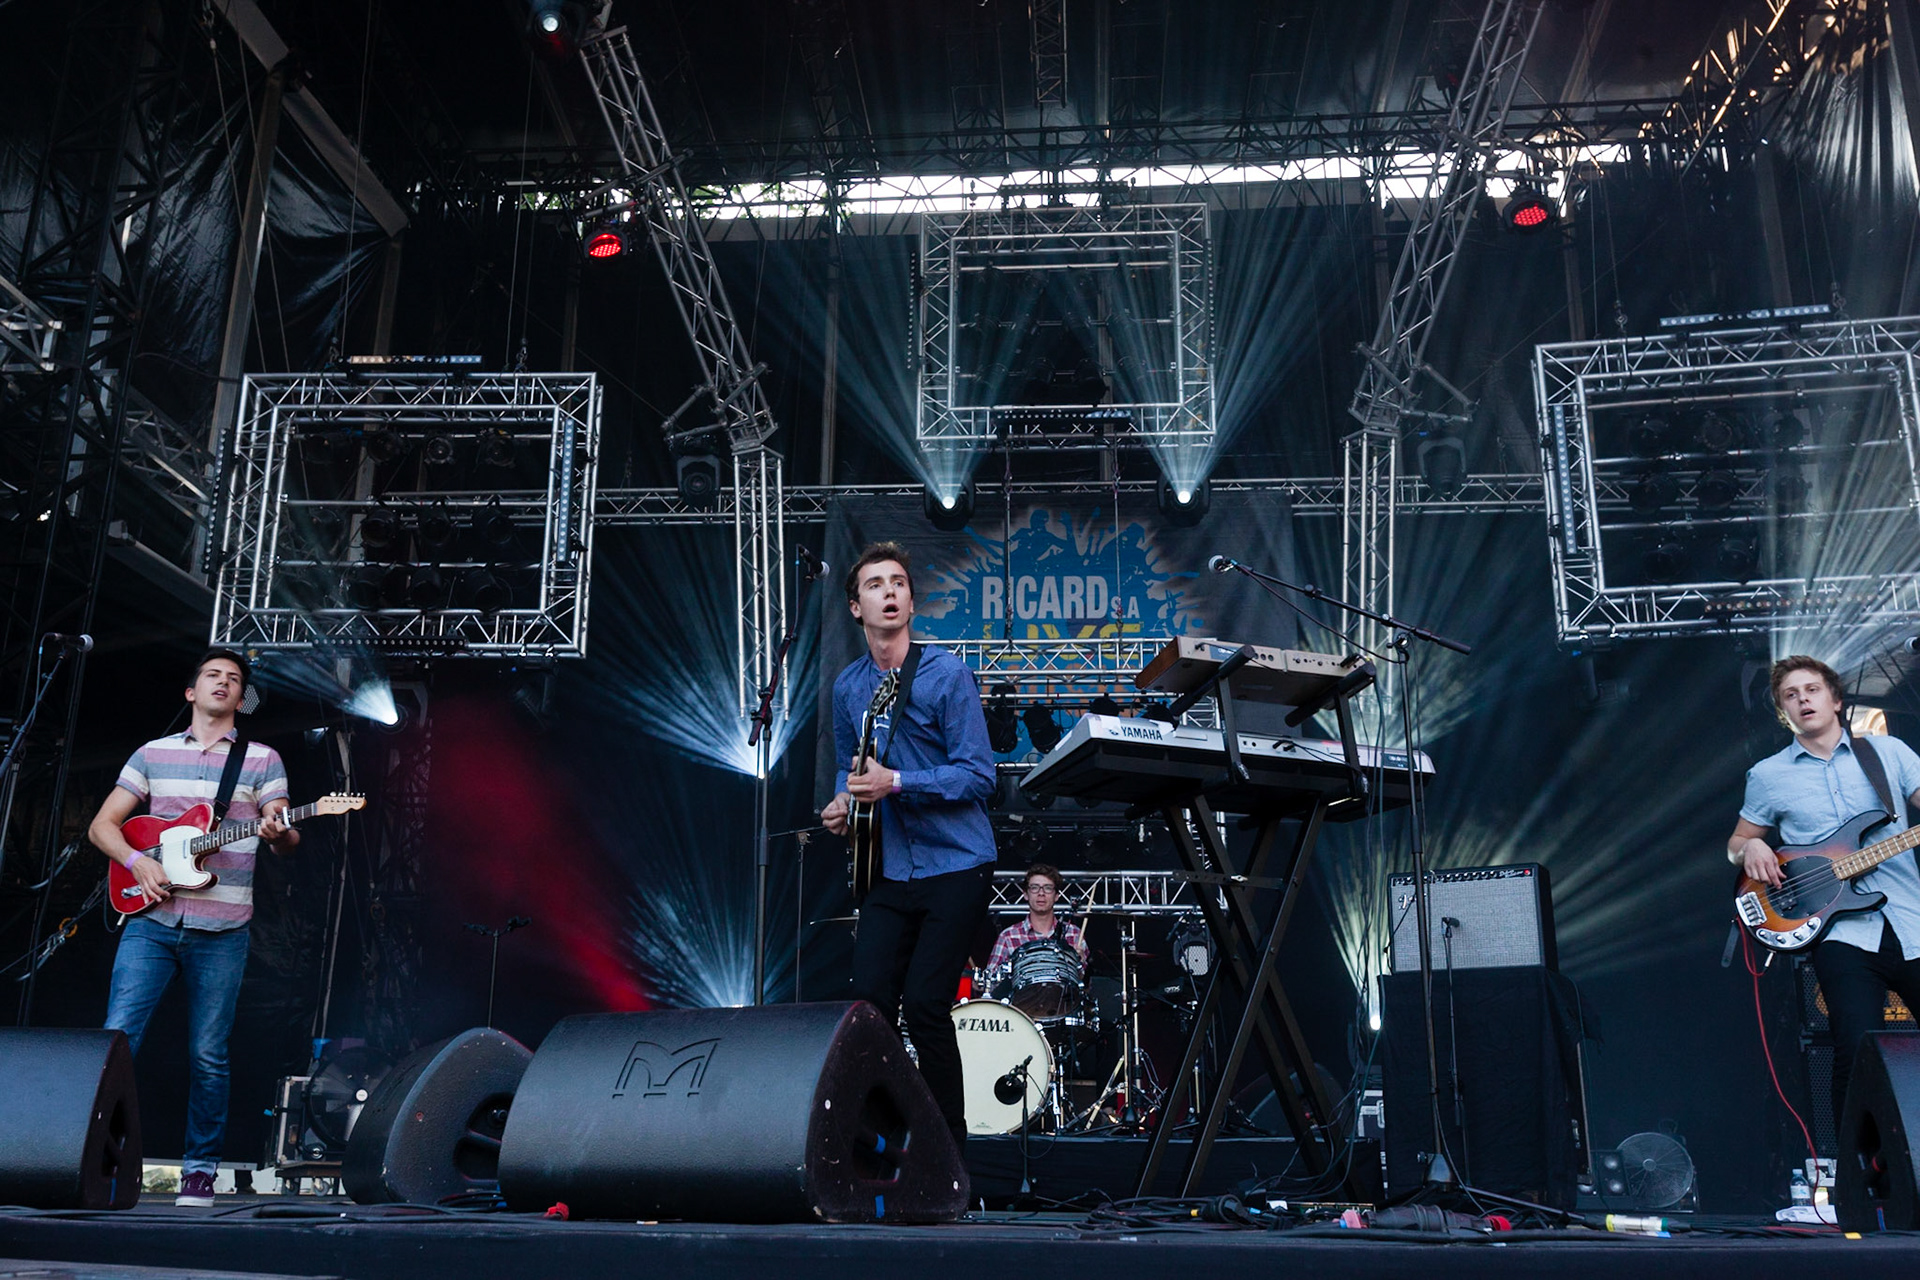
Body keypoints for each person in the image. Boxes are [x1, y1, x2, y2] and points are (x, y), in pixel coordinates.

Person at [89, 649, 298, 1207]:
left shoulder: (262, 759)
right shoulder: (152, 753)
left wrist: (280, 831)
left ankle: (199, 1172)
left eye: (234, 679)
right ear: (192, 691)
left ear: (241, 697)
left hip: (223, 929)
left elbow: (284, 835)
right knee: (117, 1041)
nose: (223, 682)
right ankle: (96, 1160)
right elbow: (103, 826)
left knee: (208, 1054)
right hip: (151, 920)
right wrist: (138, 863)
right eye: (213, 675)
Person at [822, 542, 996, 1149]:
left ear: (912, 603)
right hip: (889, 867)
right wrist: (843, 802)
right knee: (869, 1004)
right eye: (875, 584)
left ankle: (950, 1154)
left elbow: (979, 776)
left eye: (898, 582)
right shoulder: (848, 687)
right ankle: (890, 1138)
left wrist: (897, 782)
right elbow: (849, 766)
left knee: (925, 1004)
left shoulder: (946, 674)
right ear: (856, 607)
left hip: (956, 863)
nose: (889, 592)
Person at [1728, 655, 1920, 1131]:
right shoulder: (1768, 775)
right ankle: (1854, 1167)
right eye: (1790, 696)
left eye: (1812, 690)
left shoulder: (1888, 753)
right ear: (1783, 712)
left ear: (1835, 700)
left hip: (1911, 919)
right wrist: (1752, 846)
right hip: (1841, 934)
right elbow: (1736, 844)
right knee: (1856, 1050)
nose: (1803, 700)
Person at [986, 862, 1089, 973]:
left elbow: (1085, 981)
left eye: (1048, 888)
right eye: (1034, 887)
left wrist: (1080, 963)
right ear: (1026, 894)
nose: (1041, 893)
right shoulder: (1008, 937)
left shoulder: (1074, 934)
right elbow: (992, 978)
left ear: (1056, 895)